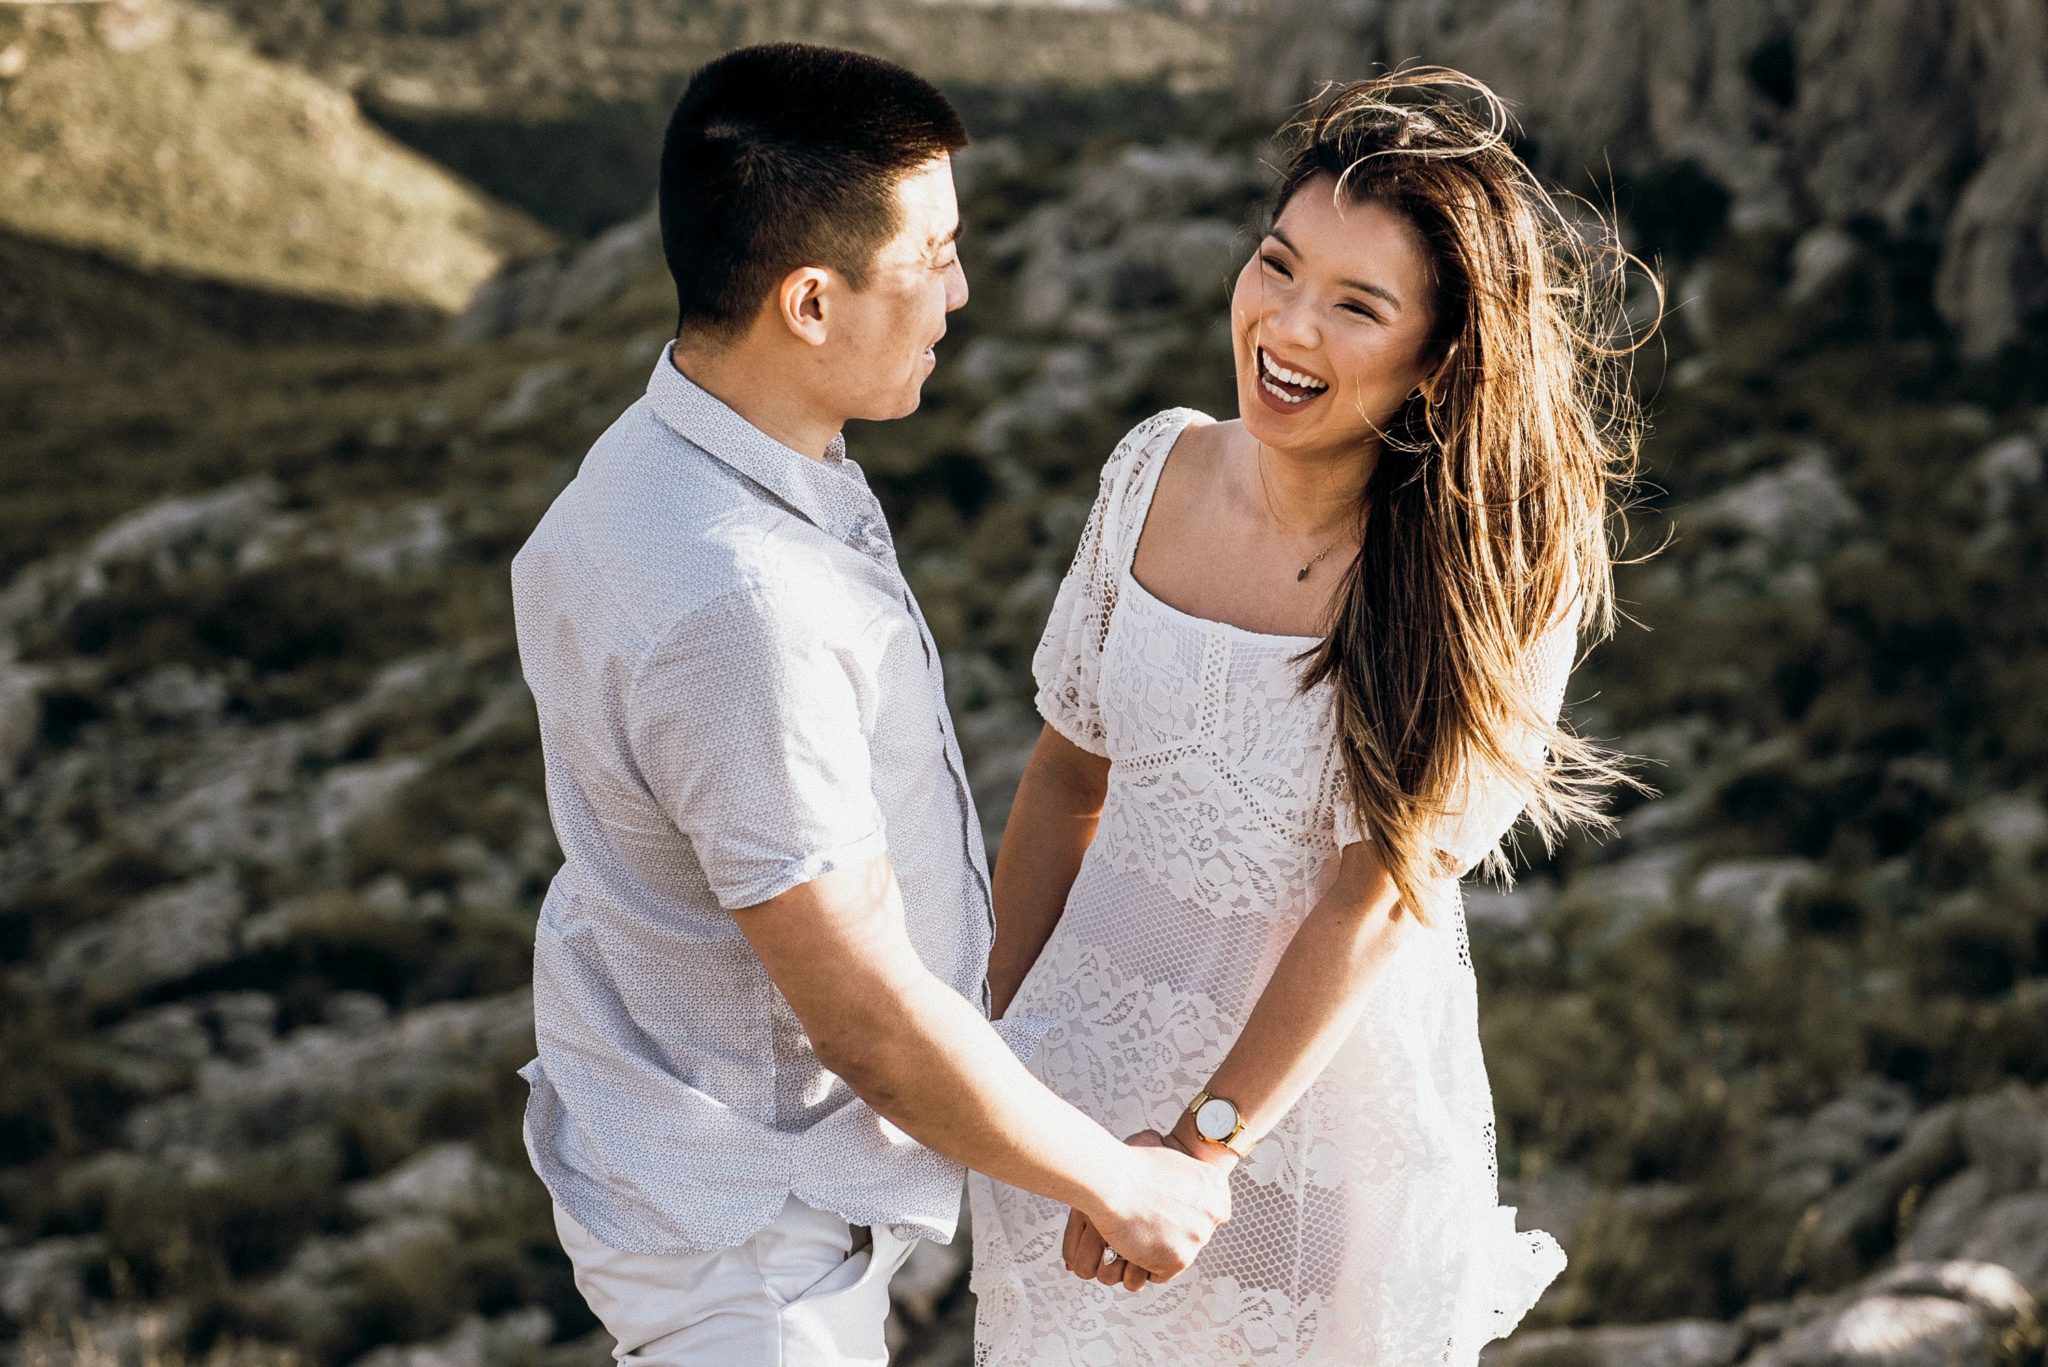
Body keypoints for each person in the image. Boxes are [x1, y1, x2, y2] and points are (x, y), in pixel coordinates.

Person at [508, 43, 1228, 1367]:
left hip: (703, 1172)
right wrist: (1119, 1183)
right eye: (932, 257)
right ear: (811, 304)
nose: (961, 291)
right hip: (753, 1251)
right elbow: (865, 1021)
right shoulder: (740, 610)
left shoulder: (656, 464)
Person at [968, 67, 1655, 1365]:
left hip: (1303, 1125)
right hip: (1079, 1084)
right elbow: (1067, 782)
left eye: (1356, 305)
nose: (1287, 327)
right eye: (1277, 267)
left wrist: (1204, 1146)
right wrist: (998, 1064)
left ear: (1440, 354)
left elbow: (1378, 895)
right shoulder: (1151, 468)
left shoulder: (1491, 565)